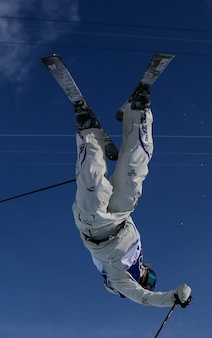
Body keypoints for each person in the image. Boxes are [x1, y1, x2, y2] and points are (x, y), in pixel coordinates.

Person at [71, 79, 192, 309]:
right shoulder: (138, 256)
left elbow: (145, 298)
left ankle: (88, 132)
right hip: (122, 214)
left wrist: (173, 298)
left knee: (93, 183)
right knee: (134, 171)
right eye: (153, 275)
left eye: (149, 280)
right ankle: (137, 114)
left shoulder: (121, 282)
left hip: (95, 227)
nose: (148, 275)